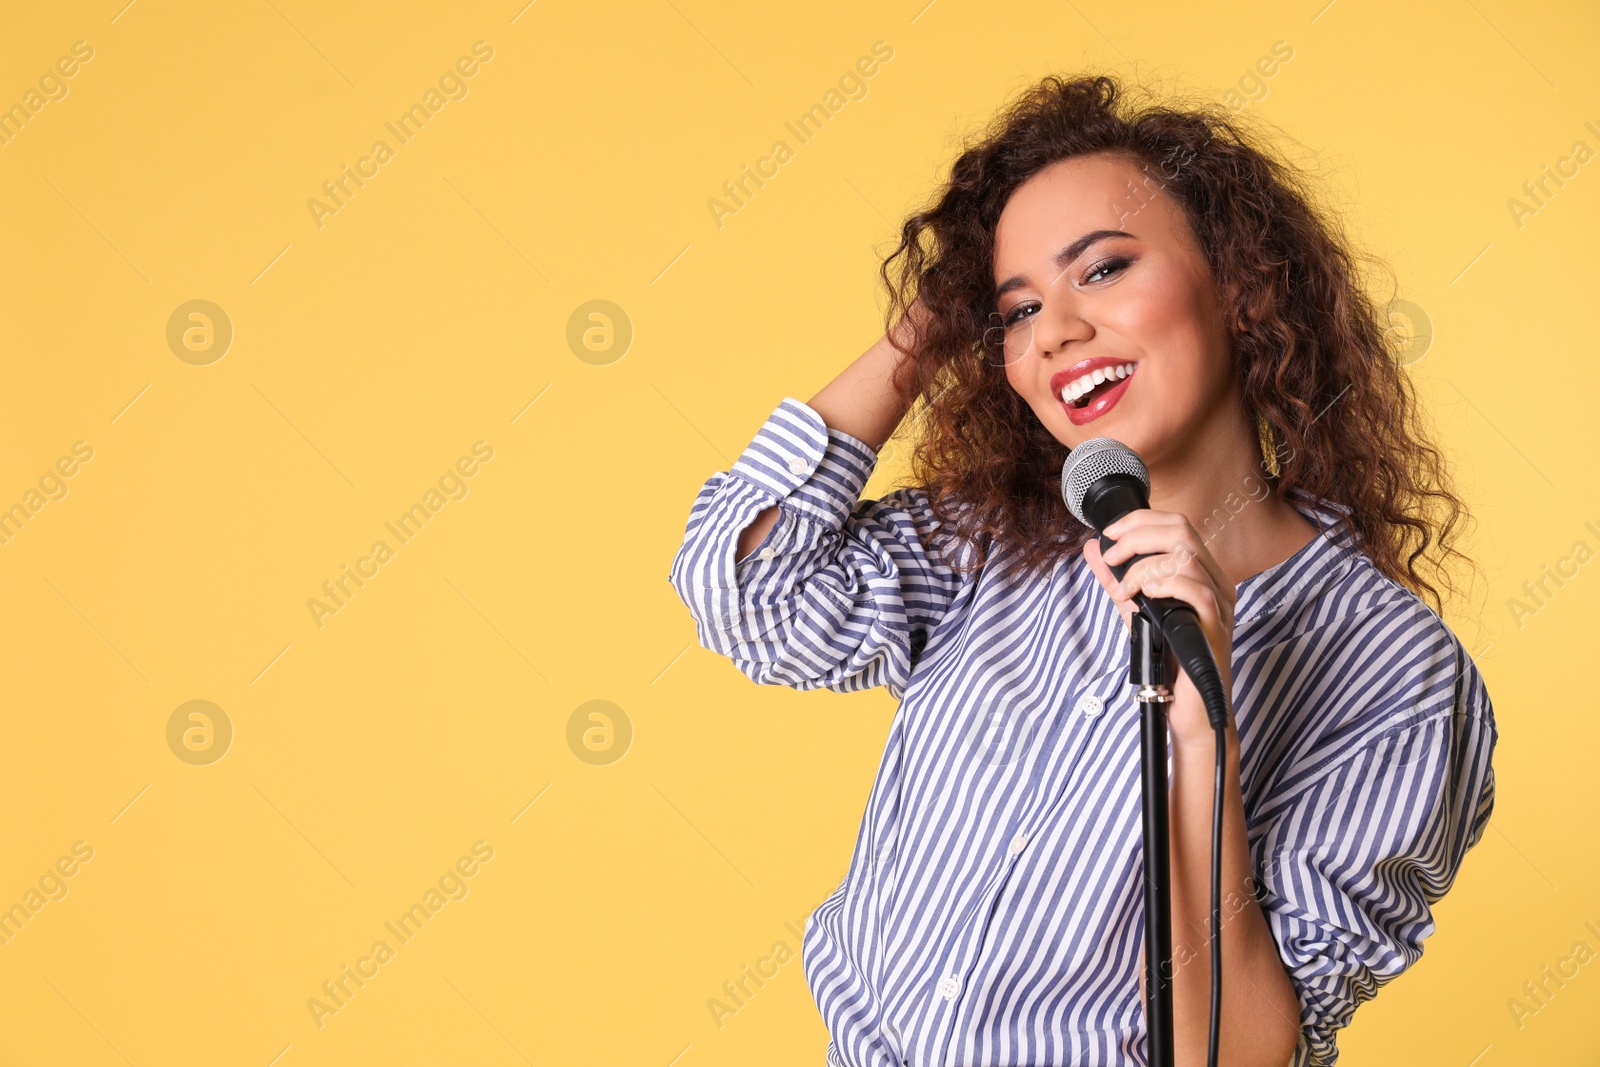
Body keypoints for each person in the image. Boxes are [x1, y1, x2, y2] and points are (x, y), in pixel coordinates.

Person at [667, 74, 1496, 1067]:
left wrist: (1203, 725)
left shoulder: (1395, 670)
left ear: (1238, 286)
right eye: (1014, 310)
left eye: (1100, 270)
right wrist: (934, 319)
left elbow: (1236, 1055)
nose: (1053, 330)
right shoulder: (988, 546)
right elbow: (742, 587)